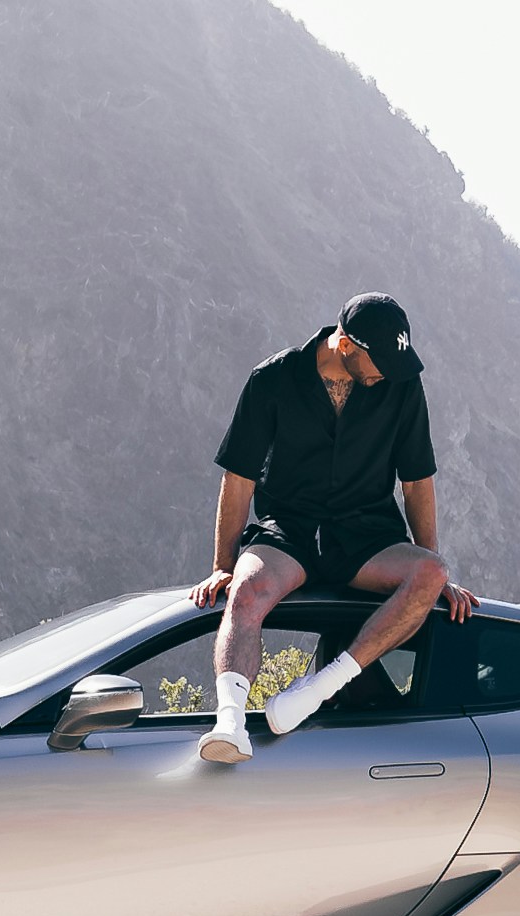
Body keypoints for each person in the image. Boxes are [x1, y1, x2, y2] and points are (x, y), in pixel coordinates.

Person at [193, 294, 475, 762]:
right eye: (378, 360)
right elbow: (238, 478)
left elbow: (417, 481)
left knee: (431, 573)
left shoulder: (401, 385)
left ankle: (318, 689)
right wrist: (222, 565)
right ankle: (230, 723)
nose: (386, 371)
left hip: (368, 536)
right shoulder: (273, 379)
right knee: (245, 589)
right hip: (289, 531)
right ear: (344, 343)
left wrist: (431, 561)